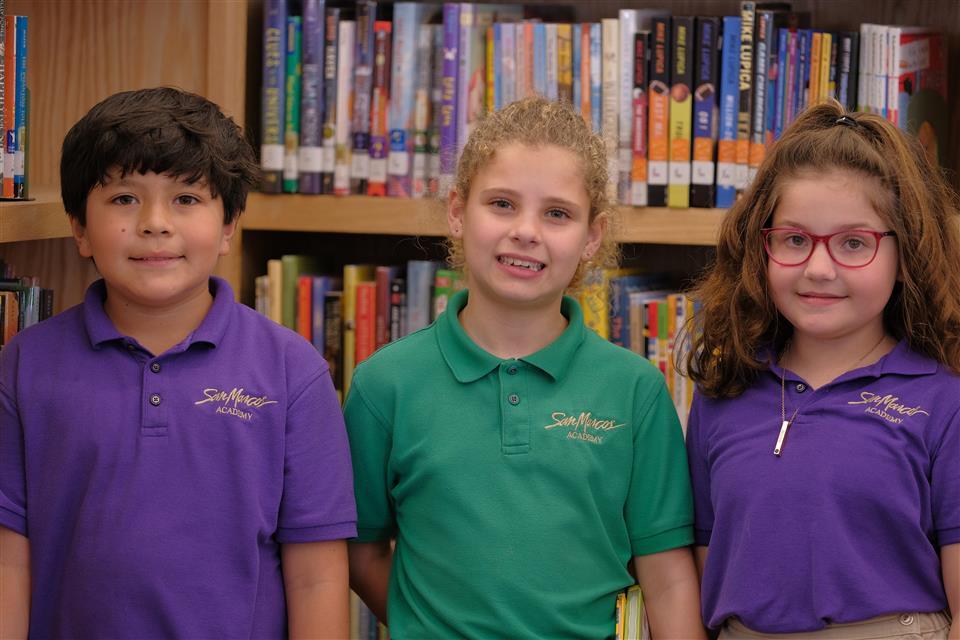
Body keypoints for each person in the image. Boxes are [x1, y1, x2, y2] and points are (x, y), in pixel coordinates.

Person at [0, 87, 356, 638]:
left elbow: (317, 578)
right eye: (124, 198)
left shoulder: (292, 371)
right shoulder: (24, 365)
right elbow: (9, 562)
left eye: (186, 199)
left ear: (229, 226)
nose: (155, 223)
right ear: (79, 228)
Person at [345, 96, 704, 638]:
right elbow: (360, 550)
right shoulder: (384, 385)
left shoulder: (636, 391)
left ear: (592, 236)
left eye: (557, 213)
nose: (526, 231)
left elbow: (668, 578)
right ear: (457, 212)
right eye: (502, 204)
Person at [685, 100, 959, 639]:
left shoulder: (944, 400)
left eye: (854, 243)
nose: (818, 268)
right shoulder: (723, 390)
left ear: (905, 254)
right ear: (761, 247)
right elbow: (704, 561)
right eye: (794, 239)